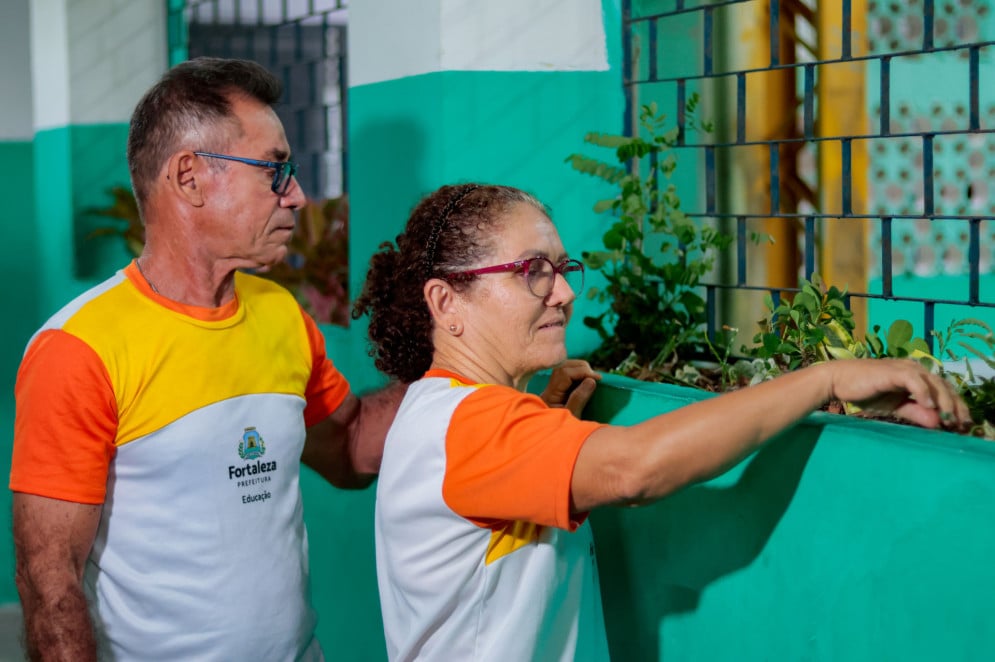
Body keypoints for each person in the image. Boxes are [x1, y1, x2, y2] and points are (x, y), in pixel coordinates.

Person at [8, 57, 587, 661]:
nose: (299, 195)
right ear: (189, 179)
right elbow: (49, 582)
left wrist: (493, 382)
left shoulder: (279, 312)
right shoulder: (79, 348)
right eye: (275, 170)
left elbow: (354, 445)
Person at [352, 182, 973, 661]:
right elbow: (633, 470)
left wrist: (548, 421)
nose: (563, 293)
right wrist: (824, 379)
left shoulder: (447, 415)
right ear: (446, 302)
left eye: (563, 270)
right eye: (532, 272)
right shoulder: (470, 425)